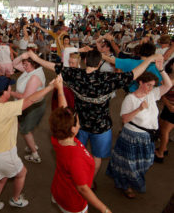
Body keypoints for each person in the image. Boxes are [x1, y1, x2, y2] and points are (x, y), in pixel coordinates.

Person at [26, 49, 164, 190]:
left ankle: (76, 178)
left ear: (85, 61)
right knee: (97, 157)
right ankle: (89, 183)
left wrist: (35, 58)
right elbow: (135, 73)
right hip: (101, 127)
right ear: (99, 63)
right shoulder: (108, 78)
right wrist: (149, 58)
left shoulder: (75, 74)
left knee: (76, 154)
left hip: (79, 124)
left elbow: (52, 65)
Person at [0, 64, 57, 213]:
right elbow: (30, 99)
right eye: (9, 88)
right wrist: (50, 87)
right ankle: (15, 199)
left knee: (2, 178)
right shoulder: (7, 109)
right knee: (22, 173)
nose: (11, 89)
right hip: (3, 154)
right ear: (4, 92)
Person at [50, 75, 112, 213]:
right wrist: (105, 209)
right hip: (73, 202)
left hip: (59, 189)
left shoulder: (57, 137)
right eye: (77, 122)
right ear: (73, 128)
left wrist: (60, 89)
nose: (79, 123)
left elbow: (62, 111)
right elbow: (83, 188)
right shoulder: (75, 157)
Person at [106, 66, 172, 198]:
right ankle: (126, 186)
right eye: (148, 85)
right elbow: (125, 119)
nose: (150, 88)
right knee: (129, 165)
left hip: (148, 137)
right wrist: (139, 109)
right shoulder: (130, 98)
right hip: (132, 136)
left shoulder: (152, 94)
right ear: (140, 83)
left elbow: (168, 84)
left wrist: (161, 70)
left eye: (152, 86)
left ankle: (126, 182)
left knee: (146, 162)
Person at [11, 54, 46, 163]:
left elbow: (25, 97)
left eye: (25, 64)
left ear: (33, 64)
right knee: (22, 126)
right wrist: (22, 56)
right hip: (24, 105)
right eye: (23, 64)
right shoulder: (30, 70)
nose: (23, 66)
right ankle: (31, 144)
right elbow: (14, 64)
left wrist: (9, 92)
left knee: (25, 130)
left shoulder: (35, 77)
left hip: (32, 107)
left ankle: (35, 155)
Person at [155, 59, 174, 162]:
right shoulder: (166, 77)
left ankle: (160, 154)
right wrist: (167, 103)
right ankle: (164, 148)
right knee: (161, 126)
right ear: (171, 65)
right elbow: (161, 93)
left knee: (165, 130)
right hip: (168, 107)